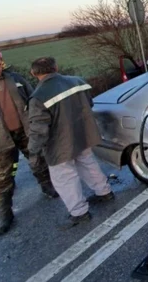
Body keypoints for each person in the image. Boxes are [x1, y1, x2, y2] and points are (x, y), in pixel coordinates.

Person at [0, 50, 58, 236]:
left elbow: (34, 100)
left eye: (0, 64)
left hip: (25, 132)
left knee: (38, 160)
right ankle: (5, 215)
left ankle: (47, 186)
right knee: (3, 179)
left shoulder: (15, 79)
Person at [27, 57, 113, 228]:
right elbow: (89, 103)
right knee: (88, 164)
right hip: (84, 134)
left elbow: (39, 129)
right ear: (56, 67)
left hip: (59, 144)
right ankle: (104, 192)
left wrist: (33, 151)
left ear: (33, 73)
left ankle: (79, 212)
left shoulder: (38, 96)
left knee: (65, 177)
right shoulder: (78, 81)